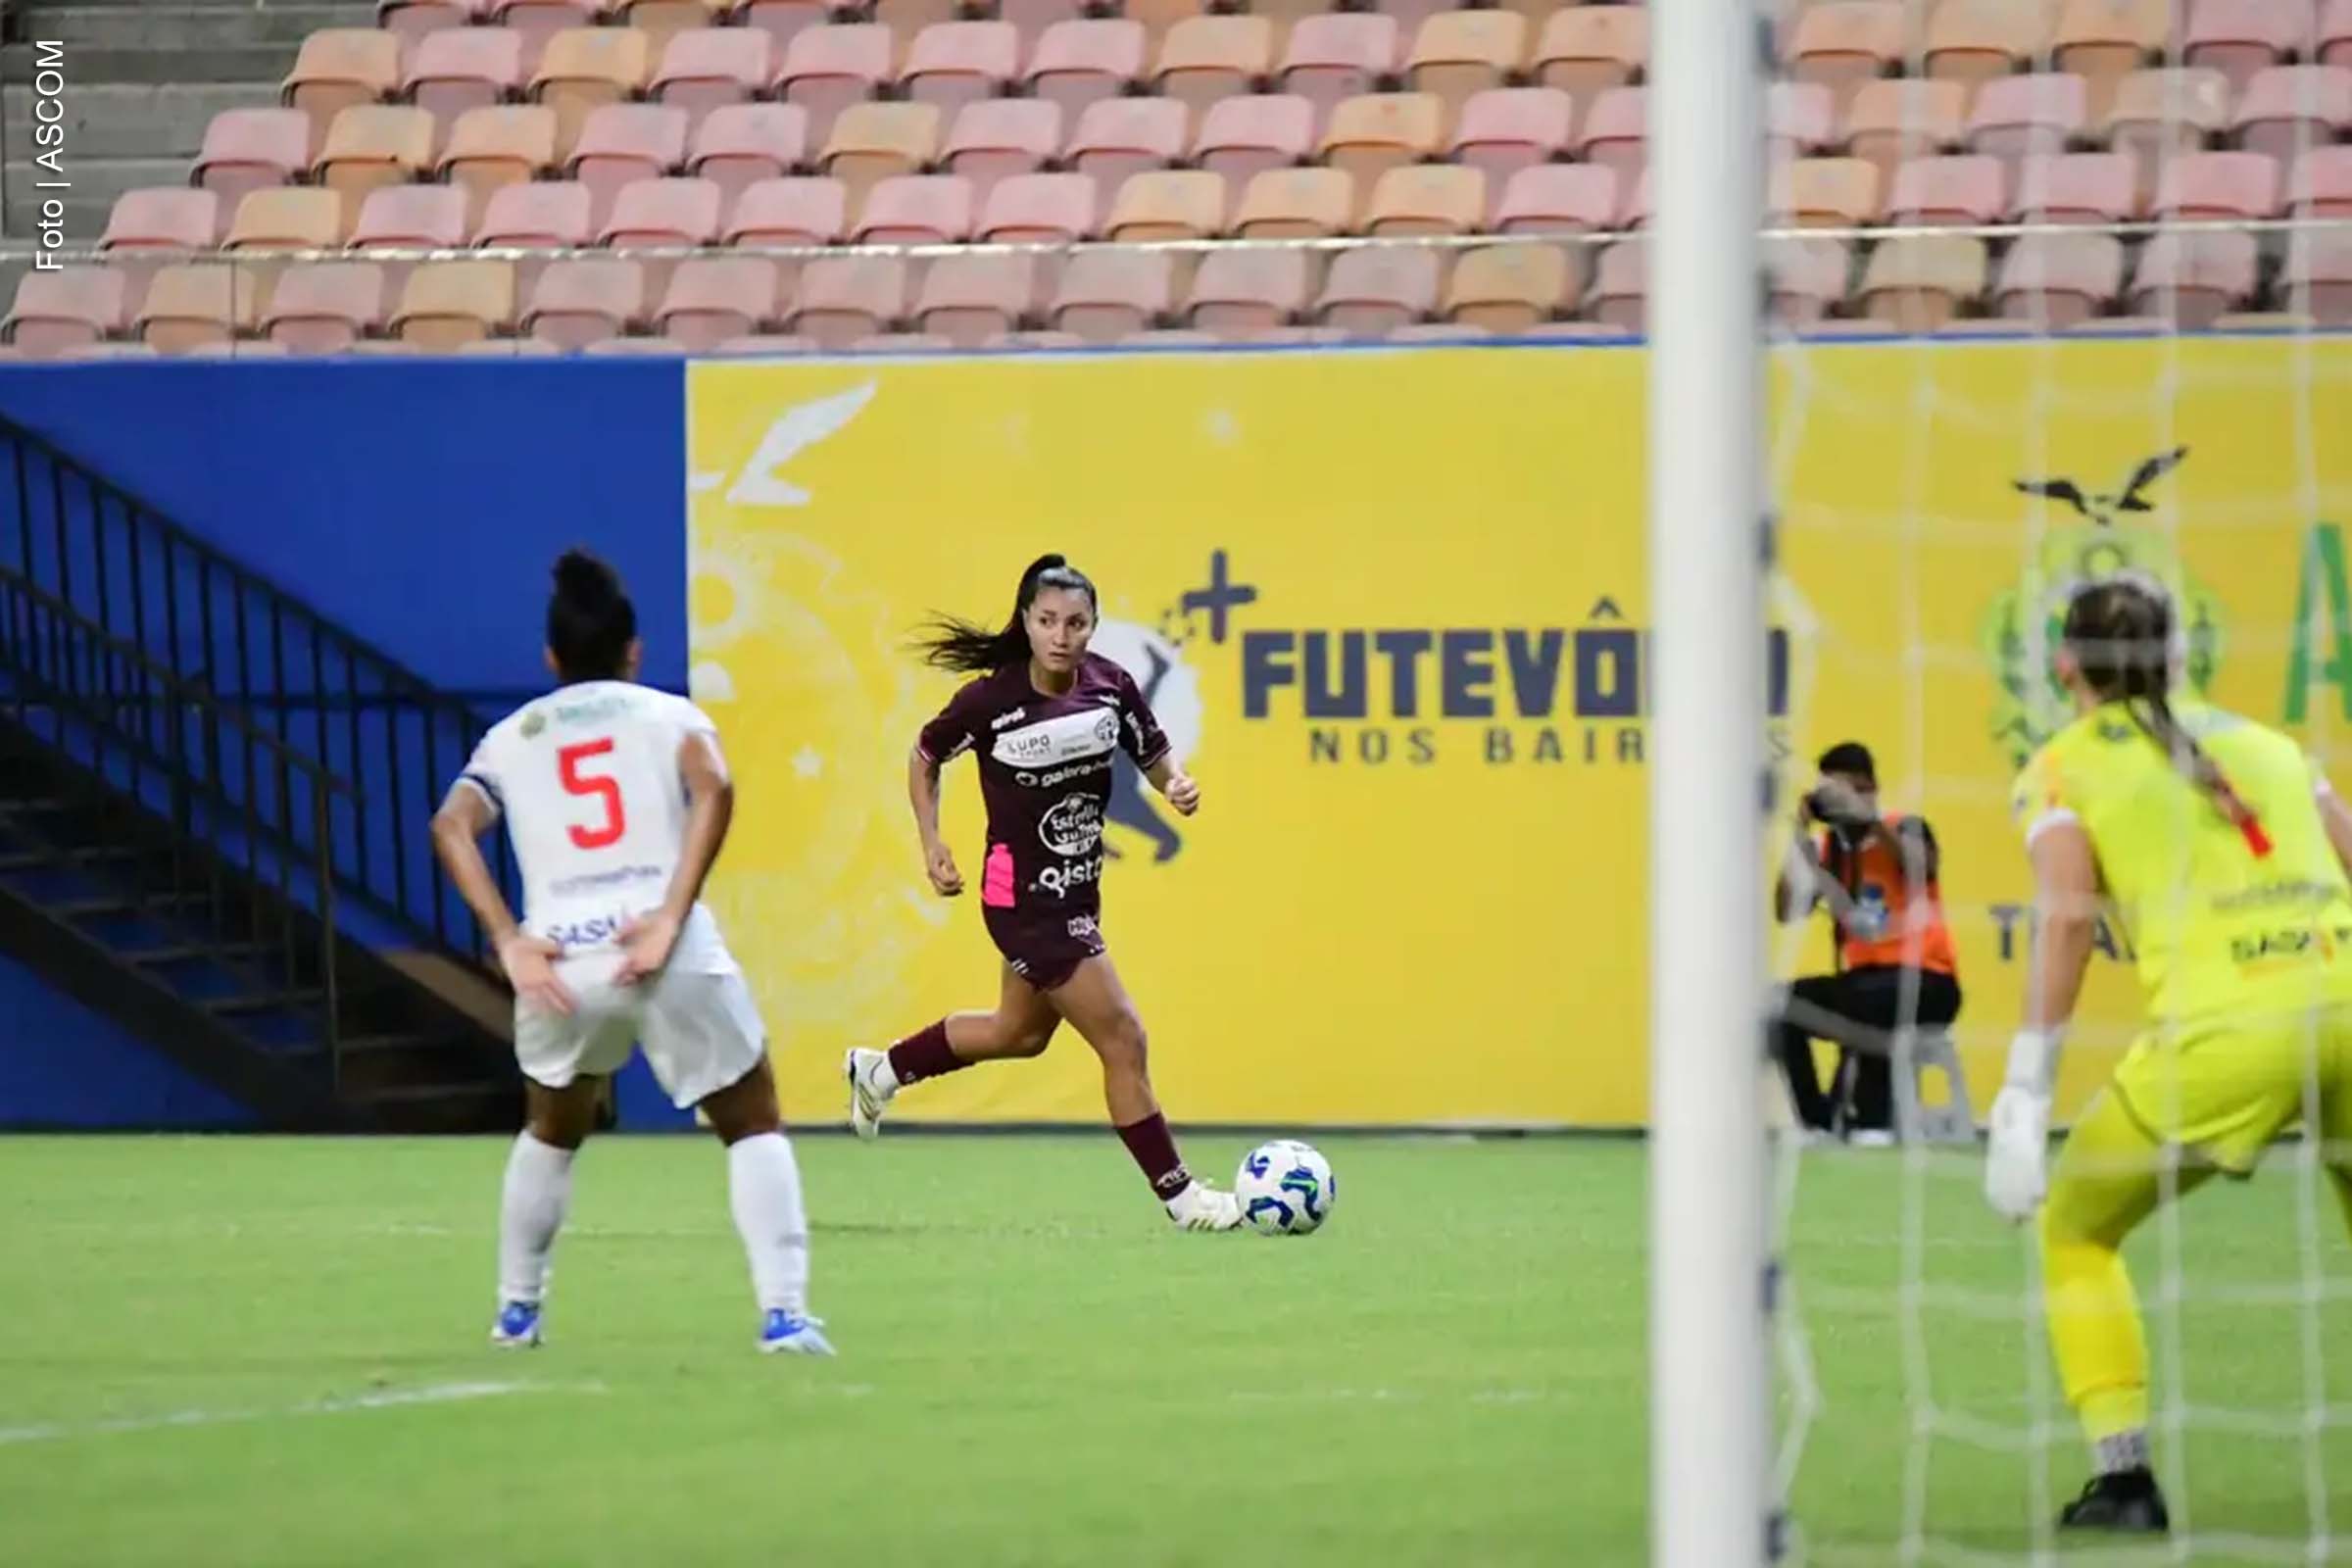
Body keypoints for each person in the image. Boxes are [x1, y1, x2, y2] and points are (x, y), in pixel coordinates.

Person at [1984, 573, 2352, 1533]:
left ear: (2064, 666)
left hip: (2226, 1039)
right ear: (2182, 660)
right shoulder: (2275, 746)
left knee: (2074, 1226)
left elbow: (2067, 916)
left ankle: (2125, 1481)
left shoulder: (2061, 766)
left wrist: (2025, 1090)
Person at [430, 550, 832, 1355]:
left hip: (563, 961)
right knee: (751, 1118)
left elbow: (450, 826)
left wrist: (508, 939)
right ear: (634, 651)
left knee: (551, 1127)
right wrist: (668, 915)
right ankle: (783, 1316)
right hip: (661, 943)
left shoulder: (514, 737)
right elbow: (714, 786)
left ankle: (518, 1313)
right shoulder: (668, 715)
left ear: (551, 658)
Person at [843, 554, 1244, 1232]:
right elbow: (925, 754)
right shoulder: (990, 702)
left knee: (1019, 1033)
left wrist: (1175, 782)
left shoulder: (1110, 687)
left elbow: (1153, 750)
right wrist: (931, 841)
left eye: (1076, 622)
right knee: (1124, 1038)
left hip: (1078, 893)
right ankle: (1182, 1199)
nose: (1061, 634)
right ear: (1026, 622)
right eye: (1047, 620)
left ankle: (880, 1071)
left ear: (1093, 627)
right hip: (1023, 903)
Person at [1770, 742, 1964, 1139]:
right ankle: (1818, 1120)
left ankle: (1872, 1118)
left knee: (1875, 999)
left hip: (1929, 980)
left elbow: (1920, 866)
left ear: (1870, 787)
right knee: (1779, 1005)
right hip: (1864, 982)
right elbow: (1787, 910)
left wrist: (1869, 819)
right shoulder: (1829, 850)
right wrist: (1798, 837)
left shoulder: (1904, 827)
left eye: (1847, 791)